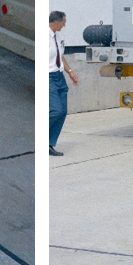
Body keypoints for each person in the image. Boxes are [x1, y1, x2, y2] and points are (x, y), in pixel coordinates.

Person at [49, 10, 77, 157]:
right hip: (48, 77)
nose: (65, 25)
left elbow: (60, 56)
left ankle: (49, 143)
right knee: (56, 110)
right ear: (56, 22)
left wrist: (70, 72)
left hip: (59, 76)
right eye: (64, 22)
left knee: (63, 110)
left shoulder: (58, 36)